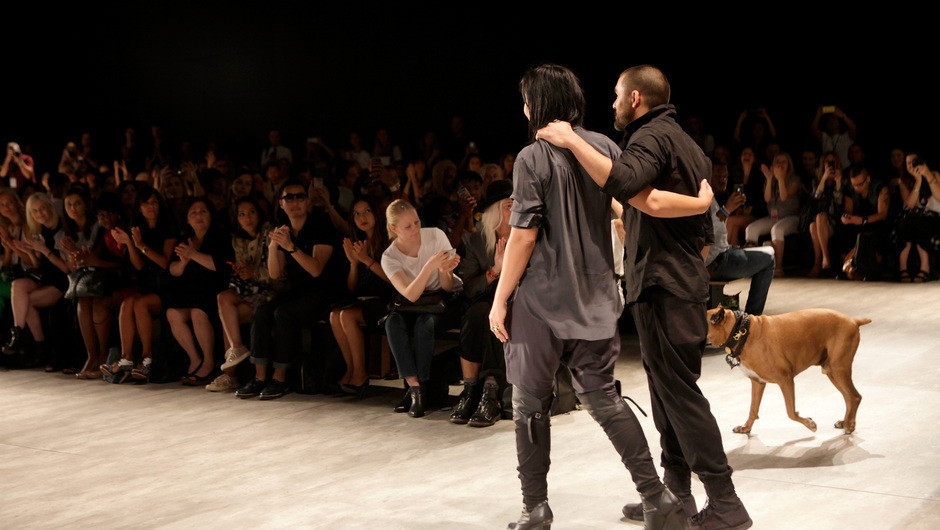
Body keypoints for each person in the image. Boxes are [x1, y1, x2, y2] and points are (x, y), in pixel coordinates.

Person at [491, 63, 716, 530]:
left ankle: (536, 507)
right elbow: (637, 203)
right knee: (606, 401)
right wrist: (699, 205)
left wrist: (499, 298)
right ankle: (656, 498)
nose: (525, 108)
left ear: (541, 103)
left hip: (540, 304)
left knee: (529, 406)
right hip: (596, 300)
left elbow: (523, 238)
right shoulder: (606, 146)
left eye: (528, 99)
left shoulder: (531, 158)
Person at [536, 64, 752, 529]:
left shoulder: (649, 138)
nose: (612, 103)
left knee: (681, 397)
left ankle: (727, 504)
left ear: (636, 98)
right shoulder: (686, 142)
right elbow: (646, 204)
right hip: (677, 283)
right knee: (667, 395)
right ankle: (677, 495)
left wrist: (573, 140)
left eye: (616, 95)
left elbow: (633, 187)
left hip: (665, 286)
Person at [235, 180, 340, 400]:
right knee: (262, 310)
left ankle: (280, 378)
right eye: (288, 198)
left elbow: (316, 270)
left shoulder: (321, 226)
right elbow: (274, 274)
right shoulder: (282, 228)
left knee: (283, 313)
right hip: (298, 291)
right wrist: (274, 246)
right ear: (281, 203)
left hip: (324, 292)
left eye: (299, 197)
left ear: (308, 200)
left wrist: (291, 247)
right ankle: (260, 377)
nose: (294, 202)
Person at [380, 199, 463, 418]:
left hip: (439, 302)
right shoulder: (389, 256)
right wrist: (428, 267)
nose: (416, 229)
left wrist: (445, 270)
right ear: (394, 229)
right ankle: (414, 386)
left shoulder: (435, 235)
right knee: (392, 322)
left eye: (417, 222)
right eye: (408, 226)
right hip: (412, 303)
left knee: (424, 324)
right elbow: (410, 294)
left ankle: (421, 389)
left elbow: (446, 286)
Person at [452, 179, 513, 427]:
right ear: (495, 212)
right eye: (509, 205)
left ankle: (490, 391)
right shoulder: (476, 242)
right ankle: (470, 391)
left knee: (496, 315)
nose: (515, 210)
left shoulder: (527, 237)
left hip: (518, 300)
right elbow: (468, 287)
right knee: (479, 312)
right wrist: (495, 270)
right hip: (485, 300)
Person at [101, 186, 178, 383]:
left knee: (140, 304)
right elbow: (139, 266)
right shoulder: (137, 228)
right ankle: (126, 358)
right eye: (145, 203)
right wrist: (129, 243)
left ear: (160, 205)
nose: (150, 207)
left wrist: (141, 245)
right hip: (148, 285)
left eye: (154, 202)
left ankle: (147, 358)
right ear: (140, 208)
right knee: (128, 303)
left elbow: (164, 262)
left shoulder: (169, 228)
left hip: (169, 287)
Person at [329, 196, 395, 397]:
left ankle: (360, 372)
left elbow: (393, 279)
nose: (362, 217)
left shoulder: (388, 241)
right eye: (356, 213)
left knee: (346, 316)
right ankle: (351, 369)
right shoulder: (357, 243)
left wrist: (366, 259)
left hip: (387, 300)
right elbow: (351, 288)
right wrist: (353, 264)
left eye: (366, 211)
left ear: (376, 213)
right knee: (334, 315)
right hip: (365, 300)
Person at [208, 198, 275, 392]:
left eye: (251, 212)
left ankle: (231, 375)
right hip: (249, 290)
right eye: (242, 214)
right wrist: (242, 272)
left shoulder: (270, 234)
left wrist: (254, 273)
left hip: (269, 292)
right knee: (223, 299)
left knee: (228, 315)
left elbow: (278, 274)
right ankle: (236, 348)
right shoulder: (237, 240)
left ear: (260, 213)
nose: (247, 218)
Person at [165, 198, 234, 385]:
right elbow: (172, 270)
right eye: (193, 212)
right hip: (191, 294)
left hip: (215, 293)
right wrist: (184, 262)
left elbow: (221, 266)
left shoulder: (220, 237)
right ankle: (194, 359)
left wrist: (194, 254)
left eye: (203, 211)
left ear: (211, 216)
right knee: (173, 313)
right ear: (187, 219)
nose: (199, 216)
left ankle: (209, 362)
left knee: (198, 311)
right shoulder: (185, 239)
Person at [2, 193, 70, 370]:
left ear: (50, 208)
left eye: (42, 209)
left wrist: (44, 250)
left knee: (27, 301)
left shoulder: (61, 229)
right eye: (34, 211)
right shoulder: (40, 232)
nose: (40, 213)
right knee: (17, 285)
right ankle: (18, 334)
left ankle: (38, 346)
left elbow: (65, 269)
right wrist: (30, 251)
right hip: (45, 278)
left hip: (62, 281)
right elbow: (38, 265)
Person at [705, 163, 775, 315]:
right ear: (708, 176)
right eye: (718, 176)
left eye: (725, 177)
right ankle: (752, 317)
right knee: (769, 257)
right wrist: (726, 210)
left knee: (765, 251)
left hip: (721, 255)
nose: (723, 180)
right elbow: (707, 231)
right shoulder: (703, 198)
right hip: (716, 262)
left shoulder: (709, 196)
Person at [743, 152, 801, 276]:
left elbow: (784, 197)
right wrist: (769, 179)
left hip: (791, 217)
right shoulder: (771, 178)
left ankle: (778, 268)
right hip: (773, 217)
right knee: (751, 229)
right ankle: (753, 267)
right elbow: (767, 199)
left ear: (789, 165)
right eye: (777, 162)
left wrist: (780, 179)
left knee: (777, 230)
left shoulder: (794, 179)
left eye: (783, 162)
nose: (780, 165)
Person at [896, 155, 940, 282]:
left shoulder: (934, 175)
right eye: (908, 163)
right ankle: (903, 268)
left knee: (919, 222)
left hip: (934, 217)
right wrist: (918, 181)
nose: (911, 166)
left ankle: (925, 267)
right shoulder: (903, 180)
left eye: (914, 162)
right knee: (906, 221)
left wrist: (927, 175)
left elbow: (939, 197)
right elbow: (909, 204)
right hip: (912, 218)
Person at [807, 152, 846, 277]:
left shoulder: (842, 178)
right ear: (823, 164)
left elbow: (839, 202)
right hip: (820, 220)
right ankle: (819, 262)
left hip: (836, 219)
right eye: (827, 162)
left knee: (820, 217)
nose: (830, 166)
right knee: (813, 225)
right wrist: (824, 178)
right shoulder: (817, 180)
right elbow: (816, 197)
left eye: (833, 162)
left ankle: (823, 259)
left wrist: (838, 182)